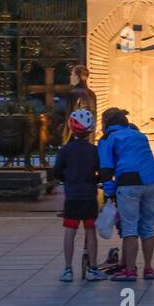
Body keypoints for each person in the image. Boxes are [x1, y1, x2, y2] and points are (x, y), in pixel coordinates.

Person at [97, 107, 154, 281]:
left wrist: (110, 193)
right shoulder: (139, 135)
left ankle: (130, 271)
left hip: (129, 183)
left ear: (106, 123)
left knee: (130, 228)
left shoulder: (108, 139)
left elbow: (105, 169)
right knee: (148, 226)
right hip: (152, 179)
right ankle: (148, 269)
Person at [54, 108, 105, 282]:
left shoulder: (65, 150)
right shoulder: (94, 150)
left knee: (70, 230)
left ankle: (68, 269)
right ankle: (92, 268)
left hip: (72, 196)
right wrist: (95, 179)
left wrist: (67, 179)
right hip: (89, 195)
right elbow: (101, 171)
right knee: (90, 231)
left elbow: (56, 172)